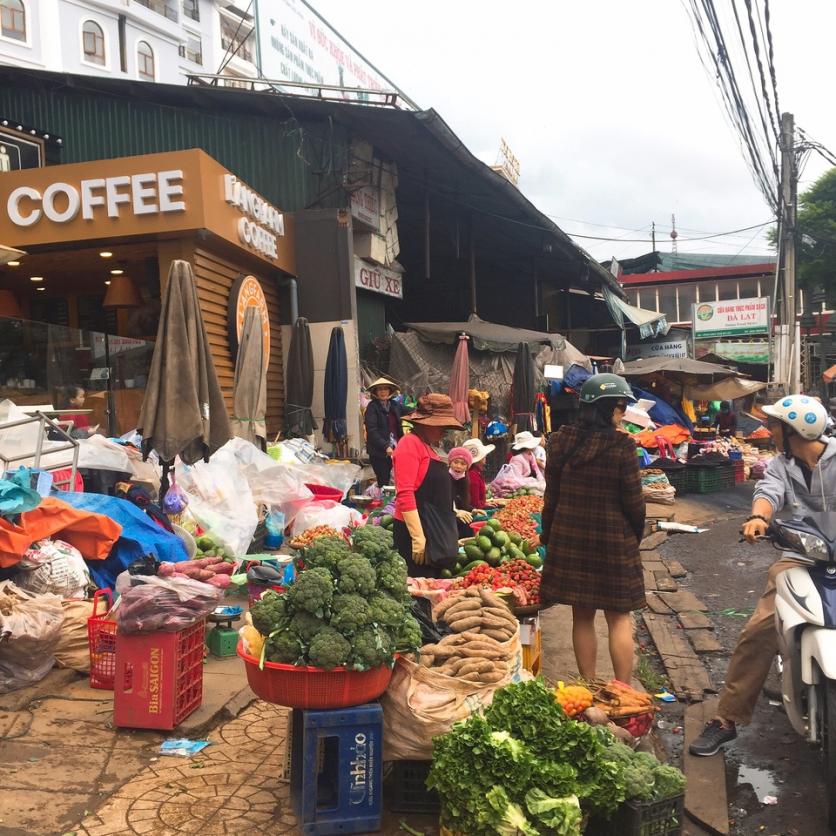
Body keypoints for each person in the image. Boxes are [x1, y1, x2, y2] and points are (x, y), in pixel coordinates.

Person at [689, 394, 834, 757]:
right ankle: (726, 719)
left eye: (774, 425)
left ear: (794, 431)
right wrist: (759, 517)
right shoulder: (780, 466)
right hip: (800, 557)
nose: (768, 430)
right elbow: (767, 494)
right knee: (759, 629)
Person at [540, 373, 646, 684]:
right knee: (619, 617)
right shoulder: (622, 447)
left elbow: (552, 497)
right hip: (614, 543)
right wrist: (632, 539)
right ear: (609, 408)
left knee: (582, 616)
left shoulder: (560, 443)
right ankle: (622, 690)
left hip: (571, 542)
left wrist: (549, 536)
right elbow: (635, 504)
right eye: (622, 407)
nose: (623, 413)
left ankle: (588, 685)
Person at [392, 394, 464, 577]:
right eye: (441, 426)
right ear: (425, 423)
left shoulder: (427, 446)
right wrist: (418, 538)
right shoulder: (409, 444)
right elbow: (405, 493)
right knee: (419, 590)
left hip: (432, 529)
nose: (443, 431)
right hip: (417, 531)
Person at [363, 377, 404, 488]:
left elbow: (408, 411)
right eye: (380, 389)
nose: (383, 392)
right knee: (384, 481)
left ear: (390, 391)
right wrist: (385, 446)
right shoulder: (372, 407)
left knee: (398, 480)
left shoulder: (394, 405)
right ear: (375, 392)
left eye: (385, 389)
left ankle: (395, 503)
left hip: (395, 448)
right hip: (379, 452)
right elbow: (372, 431)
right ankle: (385, 503)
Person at [448, 446, 475, 537]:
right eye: (455, 462)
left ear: (467, 467)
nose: (458, 466)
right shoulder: (443, 478)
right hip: (447, 520)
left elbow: (461, 502)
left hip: (458, 518)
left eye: (463, 464)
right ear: (450, 462)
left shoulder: (464, 480)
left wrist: (472, 509)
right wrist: (455, 512)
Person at [463, 437, 496, 510]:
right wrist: (483, 505)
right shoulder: (473, 475)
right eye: (484, 456)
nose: (485, 457)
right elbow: (475, 504)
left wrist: (484, 503)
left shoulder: (476, 472)